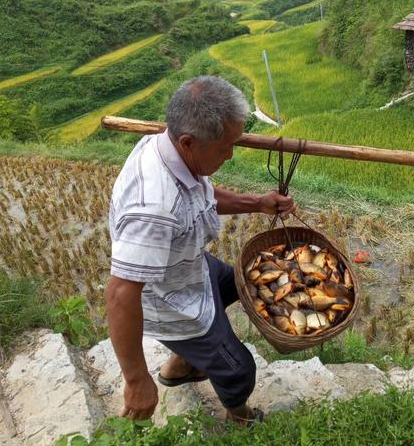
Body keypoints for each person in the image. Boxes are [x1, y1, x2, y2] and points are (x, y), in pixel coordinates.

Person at [105, 76, 295, 424]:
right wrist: (136, 379)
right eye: (226, 147)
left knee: (244, 280)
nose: (231, 154)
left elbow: (201, 195)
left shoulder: (169, 148)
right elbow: (120, 294)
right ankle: (240, 416)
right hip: (171, 300)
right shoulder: (153, 209)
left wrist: (259, 203)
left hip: (188, 265)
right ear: (189, 142)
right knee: (239, 369)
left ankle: (181, 366)